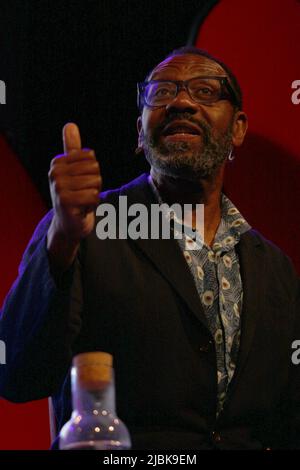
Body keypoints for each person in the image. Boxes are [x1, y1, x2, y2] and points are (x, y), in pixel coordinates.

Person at [0, 46, 299, 450]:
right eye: (161, 93)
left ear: (238, 128)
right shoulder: (84, 228)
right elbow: (17, 374)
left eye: (206, 92)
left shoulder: (276, 269)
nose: (180, 102)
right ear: (140, 132)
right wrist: (62, 239)